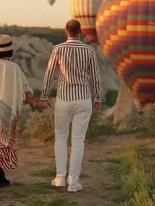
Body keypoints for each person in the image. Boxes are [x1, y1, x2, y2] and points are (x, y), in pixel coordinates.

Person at [0, 34, 45, 191]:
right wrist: (39, 104)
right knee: (3, 143)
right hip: (7, 111)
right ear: (10, 51)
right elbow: (25, 91)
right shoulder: (14, 68)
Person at [40, 19, 103, 193]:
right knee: (78, 141)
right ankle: (73, 182)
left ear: (66, 31)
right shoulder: (89, 50)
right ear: (80, 31)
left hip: (63, 100)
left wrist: (44, 97)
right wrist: (98, 97)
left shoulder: (58, 49)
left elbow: (49, 75)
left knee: (60, 137)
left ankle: (60, 178)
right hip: (84, 100)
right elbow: (95, 76)